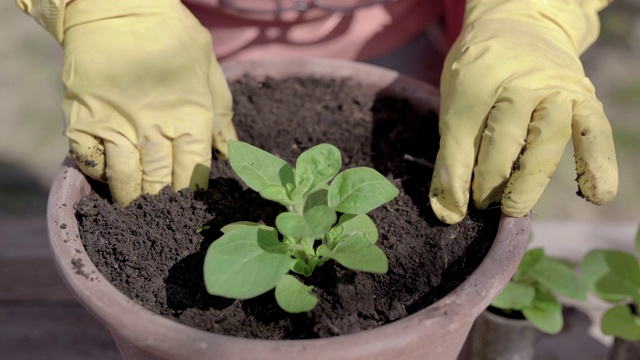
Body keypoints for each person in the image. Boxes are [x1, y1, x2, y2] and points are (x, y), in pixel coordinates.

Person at [16, 0, 618, 225]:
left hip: (390, 36)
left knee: (441, 158)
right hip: (172, 41)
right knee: (150, 167)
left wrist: (530, 14)